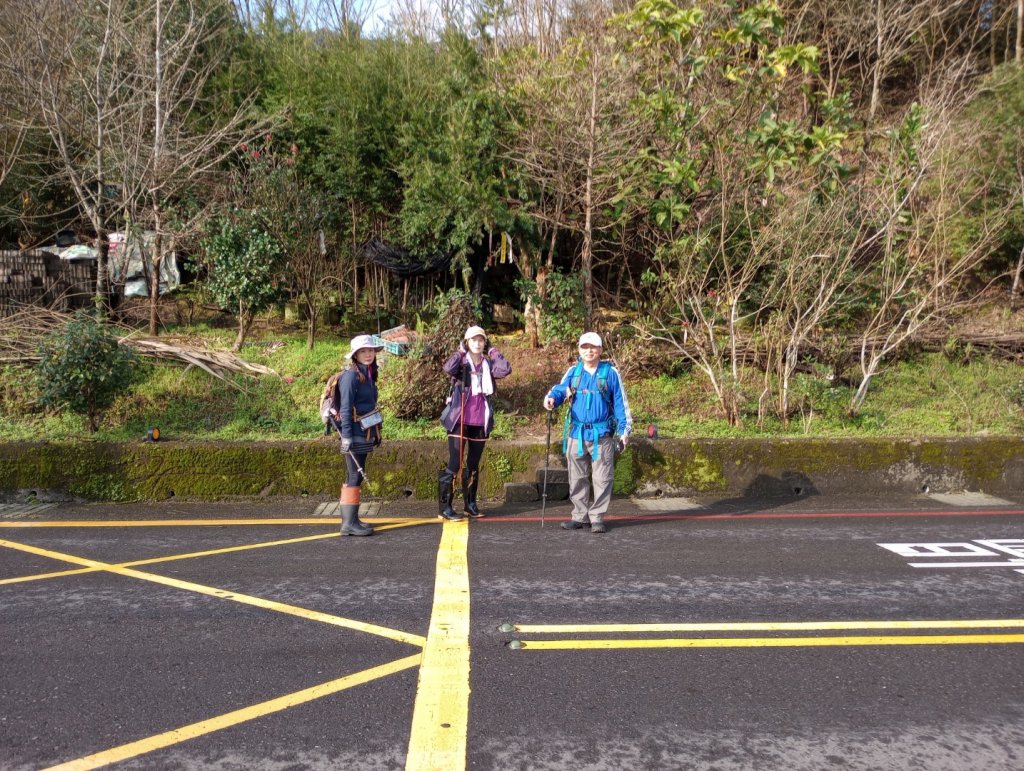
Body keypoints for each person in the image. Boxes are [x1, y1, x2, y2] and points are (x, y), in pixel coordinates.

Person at [543, 332, 632, 533]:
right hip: (577, 434)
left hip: (602, 435)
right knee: (577, 476)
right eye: (584, 347)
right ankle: (579, 515)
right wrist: (551, 399)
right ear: (579, 350)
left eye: (593, 347)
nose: (589, 350)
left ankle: (597, 517)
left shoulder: (610, 373)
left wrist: (624, 430)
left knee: (602, 478)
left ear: (600, 350)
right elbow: (559, 390)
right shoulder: (574, 372)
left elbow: (620, 403)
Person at [438, 325, 512, 520]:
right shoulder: (462, 363)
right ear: (467, 342)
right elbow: (448, 368)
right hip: (459, 419)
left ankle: (470, 505)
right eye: (473, 340)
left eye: (481, 340)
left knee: (473, 464)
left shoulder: (488, 364)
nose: (478, 343)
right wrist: (460, 352)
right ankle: (445, 507)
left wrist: (494, 351)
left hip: (480, 420)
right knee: (455, 463)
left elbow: (505, 369)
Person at [329, 334, 384, 537]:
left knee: (355, 474)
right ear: (355, 355)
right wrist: (346, 437)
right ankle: (348, 524)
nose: (368, 354)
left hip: (365, 430)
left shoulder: (368, 374)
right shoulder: (351, 376)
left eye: (370, 350)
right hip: (354, 431)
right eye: (363, 351)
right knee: (355, 474)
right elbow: (345, 408)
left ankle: (352, 520)